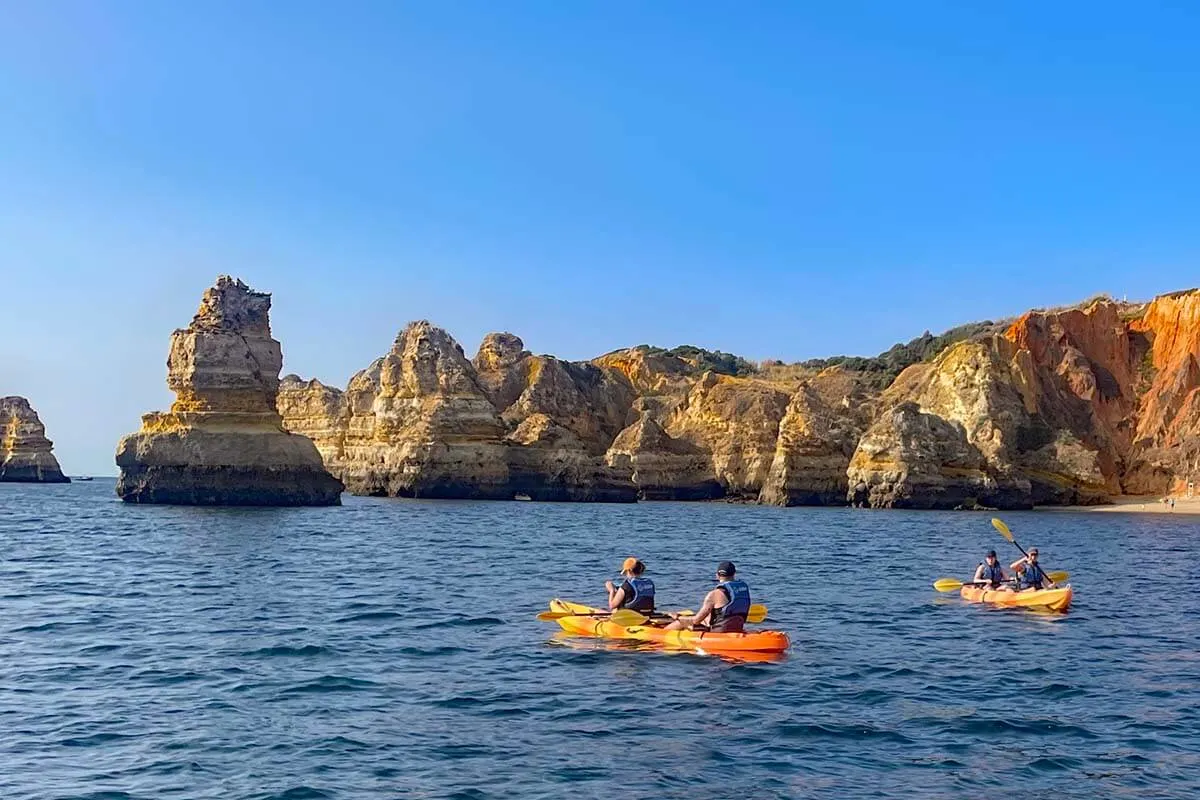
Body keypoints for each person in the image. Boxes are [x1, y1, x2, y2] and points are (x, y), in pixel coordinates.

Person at [664, 561, 751, 632]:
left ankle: (662, 634)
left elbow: (695, 621)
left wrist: (678, 617)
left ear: (717, 575)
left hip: (719, 632)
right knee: (708, 617)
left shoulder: (713, 594)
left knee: (681, 622)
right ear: (734, 573)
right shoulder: (743, 589)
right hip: (737, 627)